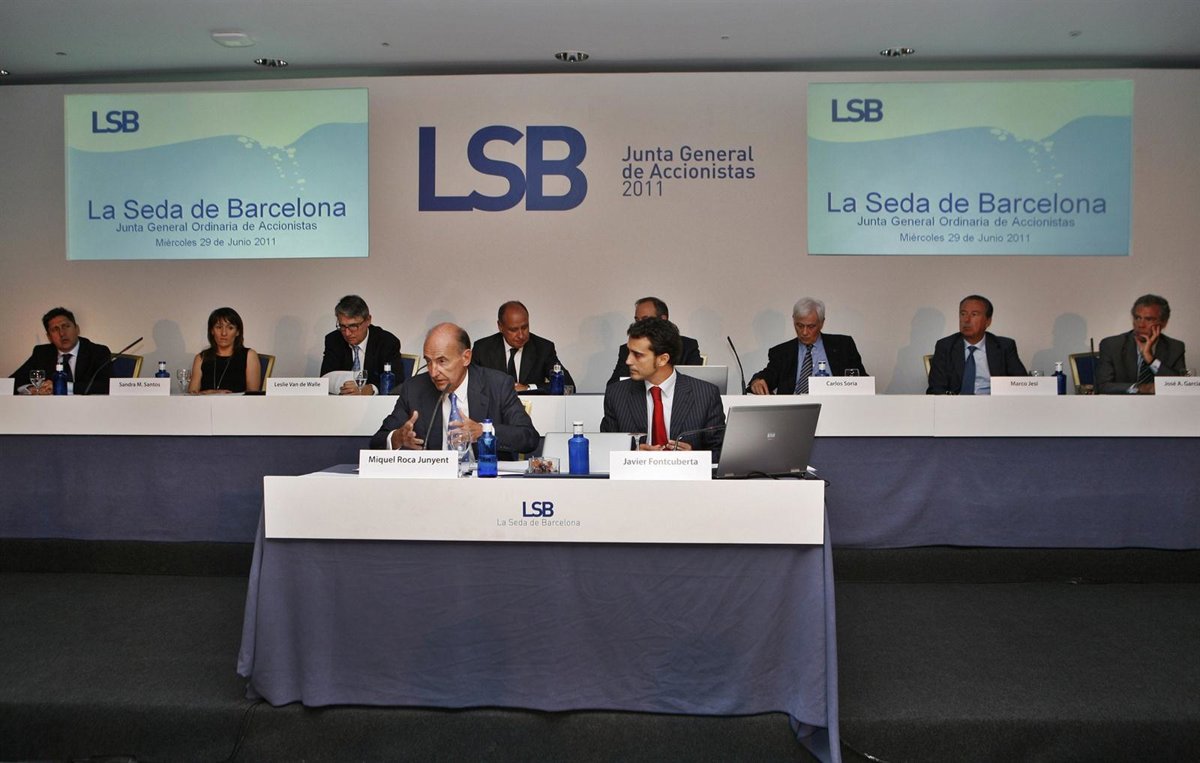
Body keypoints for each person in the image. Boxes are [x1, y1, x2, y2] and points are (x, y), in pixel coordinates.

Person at [371, 322, 540, 454]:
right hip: (434, 482)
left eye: (442, 361)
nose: (433, 372)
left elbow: (529, 437)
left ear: (466, 358)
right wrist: (397, 438)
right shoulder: (414, 389)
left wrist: (484, 432)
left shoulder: (497, 385)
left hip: (485, 480)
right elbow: (377, 441)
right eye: (428, 361)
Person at [601, 317, 725, 455]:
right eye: (629, 352)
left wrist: (694, 457)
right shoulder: (616, 394)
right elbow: (606, 450)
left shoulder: (705, 394)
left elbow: (720, 453)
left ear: (662, 359)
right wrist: (632, 455)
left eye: (638, 355)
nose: (628, 361)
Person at [748, 297, 866, 394]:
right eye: (799, 325)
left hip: (836, 406)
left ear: (822, 323)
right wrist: (756, 381)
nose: (804, 332)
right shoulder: (782, 353)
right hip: (795, 409)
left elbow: (862, 381)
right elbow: (768, 375)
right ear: (793, 320)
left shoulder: (843, 346)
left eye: (811, 326)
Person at [927, 294, 1027, 395]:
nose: (966, 320)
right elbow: (936, 388)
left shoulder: (1004, 346)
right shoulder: (945, 346)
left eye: (974, 314)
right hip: (956, 403)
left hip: (994, 402)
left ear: (988, 321)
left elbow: (1022, 384)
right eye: (963, 314)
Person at [472, 301, 574, 393]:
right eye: (513, 330)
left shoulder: (543, 348)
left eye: (525, 327)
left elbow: (568, 386)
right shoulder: (482, 349)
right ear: (500, 326)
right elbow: (471, 386)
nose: (521, 335)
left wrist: (528, 388)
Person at [1096, 294, 1187, 394]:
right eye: (1137, 318)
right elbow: (1103, 386)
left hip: (1163, 403)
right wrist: (1141, 388)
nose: (1140, 325)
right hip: (1124, 403)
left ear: (1163, 323)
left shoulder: (1175, 348)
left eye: (1148, 319)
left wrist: (1150, 359)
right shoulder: (1112, 345)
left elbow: (1180, 386)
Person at [10, 307, 112, 395]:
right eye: (55, 329)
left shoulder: (97, 352)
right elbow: (12, 382)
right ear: (49, 337)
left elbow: (107, 386)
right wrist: (31, 389)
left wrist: (61, 386)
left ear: (77, 329)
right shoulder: (41, 353)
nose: (62, 333)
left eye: (66, 326)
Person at [606, 297, 703, 385]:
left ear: (663, 319)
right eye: (637, 320)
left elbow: (698, 383)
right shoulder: (627, 349)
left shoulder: (688, 346)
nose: (640, 325)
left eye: (645, 319)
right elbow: (613, 385)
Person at [319, 294, 403, 395]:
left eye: (353, 326)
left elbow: (397, 381)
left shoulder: (387, 342)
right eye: (342, 326)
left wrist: (371, 389)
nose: (347, 333)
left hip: (374, 402)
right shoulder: (334, 340)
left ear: (368, 320)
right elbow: (326, 378)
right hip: (341, 400)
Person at [188, 307, 262, 394]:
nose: (223, 333)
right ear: (212, 331)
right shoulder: (201, 358)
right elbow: (192, 393)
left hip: (239, 403)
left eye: (230, 328)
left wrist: (227, 398)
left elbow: (252, 394)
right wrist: (210, 393)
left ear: (237, 332)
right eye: (218, 327)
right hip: (206, 403)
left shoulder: (249, 355)